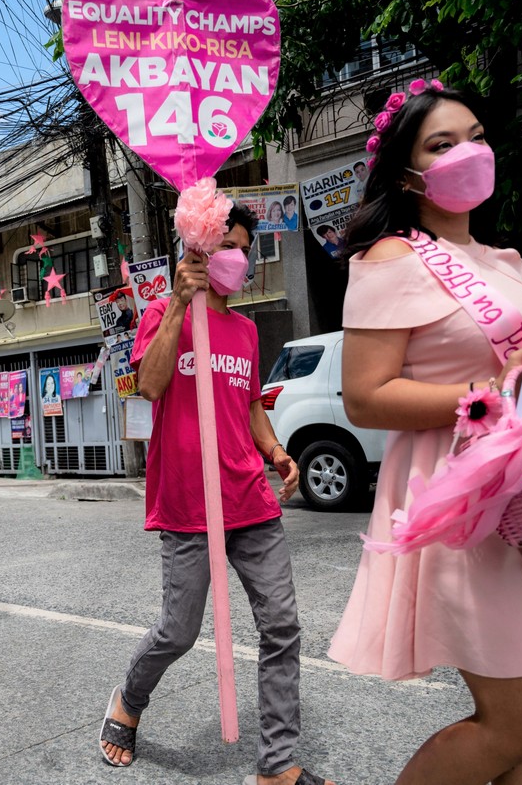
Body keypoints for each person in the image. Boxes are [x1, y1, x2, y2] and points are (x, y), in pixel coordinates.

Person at [328, 81, 522, 785]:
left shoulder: (506, 264)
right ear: (407, 173)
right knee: (519, 717)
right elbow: (366, 394)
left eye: (475, 135)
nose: (467, 152)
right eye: (442, 144)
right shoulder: (389, 258)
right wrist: (479, 397)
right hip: (463, 501)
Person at [98, 202, 332, 785]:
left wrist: (275, 451)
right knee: (178, 630)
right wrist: (179, 301)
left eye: (242, 247)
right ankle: (127, 699)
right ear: (196, 249)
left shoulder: (247, 329)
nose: (236, 257)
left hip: (249, 497)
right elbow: (149, 386)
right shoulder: (160, 312)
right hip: (187, 503)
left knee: (281, 624)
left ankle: (276, 765)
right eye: (225, 244)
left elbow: (249, 403)